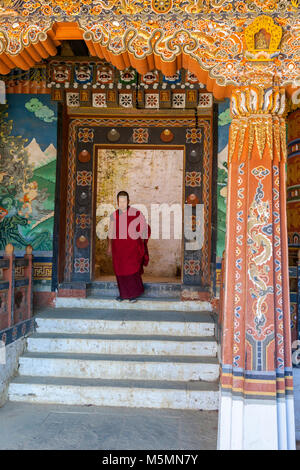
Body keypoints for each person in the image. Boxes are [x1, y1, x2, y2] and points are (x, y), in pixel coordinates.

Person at [107, 191, 150, 302]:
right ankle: (123, 294)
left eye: (124, 201)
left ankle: (133, 294)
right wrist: (109, 247)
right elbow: (110, 232)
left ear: (128, 201)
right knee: (120, 271)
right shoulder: (114, 215)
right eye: (120, 201)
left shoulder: (135, 214)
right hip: (118, 249)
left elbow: (145, 228)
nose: (122, 203)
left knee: (131, 270)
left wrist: (141, 240)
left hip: (132, 248)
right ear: (117, 202)